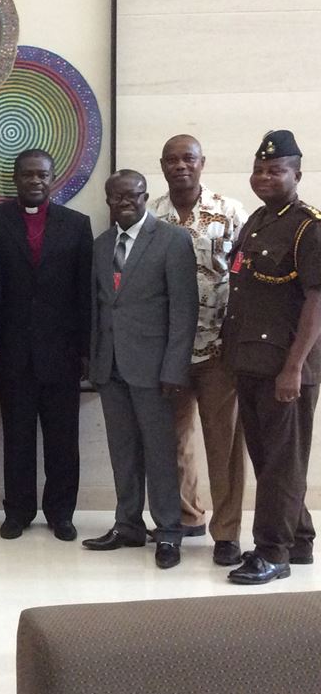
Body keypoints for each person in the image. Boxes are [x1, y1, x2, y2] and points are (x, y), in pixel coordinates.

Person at [84, 169, 198, 569]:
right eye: (117, 197)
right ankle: (127, 524)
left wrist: (175, 368)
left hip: (154, 369)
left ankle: (168, 531)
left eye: (132, 196)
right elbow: (100, 308)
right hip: (110, 365)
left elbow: (185, 311)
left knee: (160, 453)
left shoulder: (172, 240)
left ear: (146, 196)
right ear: (108, 200)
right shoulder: (100, 246)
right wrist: (94, 361)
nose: (124, 203)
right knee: (123, 451)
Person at [222, 130, 321, 585]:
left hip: (285, 367)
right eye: (259, 169)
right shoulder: (259, 220)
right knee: (269, 458)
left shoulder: (308, 226)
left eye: (275, 169)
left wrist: (294, 368)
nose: (264, 176)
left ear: (296, 175)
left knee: (281, 460)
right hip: (251, 361)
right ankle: (299, 539)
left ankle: (272, 552)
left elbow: (316, 301)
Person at [150, 134, 248, 566]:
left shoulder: (230, 212)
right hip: (168, 351)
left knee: (222, 444)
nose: (180, 166)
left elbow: (248, 277)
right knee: (171, 439)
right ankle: (185, 516)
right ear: (162, 165)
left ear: (202, 163)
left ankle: (226, 532)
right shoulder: (151, 214)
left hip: (218, 350)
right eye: (172, 160)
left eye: (188, 158)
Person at [0, 149, 92, 543]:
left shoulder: (76, 225)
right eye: (28, 175)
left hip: (62, 354)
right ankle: (18, 512)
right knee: (17, 438)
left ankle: (61, 513)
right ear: (15, 179)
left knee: (63, 440)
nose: (36, 181)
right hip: (13, 352)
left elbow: (84, 294)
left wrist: (85, 351)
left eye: (43, 175)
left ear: (53, 179)